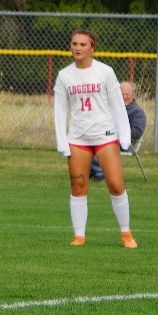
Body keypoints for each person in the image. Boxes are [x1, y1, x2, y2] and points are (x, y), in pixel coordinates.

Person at [53, 29, 136, 249]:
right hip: (78, 138)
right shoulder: (64, 75)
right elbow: (60, 111)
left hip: (105, 136)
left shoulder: (105, 72)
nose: (77, 48)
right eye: (74, 44)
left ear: (92, 47)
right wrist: (62, 141)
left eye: (82, 44)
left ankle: (126, 233)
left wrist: (124, 137)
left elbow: (118, 105)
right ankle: (79, 235)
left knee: (116, 185)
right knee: (78, 185)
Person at [90, 79, 147, 181]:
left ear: (133, 95)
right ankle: (92, 170)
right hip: (106, 137)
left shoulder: (137, 112)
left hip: (125, 143)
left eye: (127, 94)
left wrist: (116, 133)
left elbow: (137, 133)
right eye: (122, 94)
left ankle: (100, 171)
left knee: (99, 144)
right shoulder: (110, 108)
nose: (124, 97)